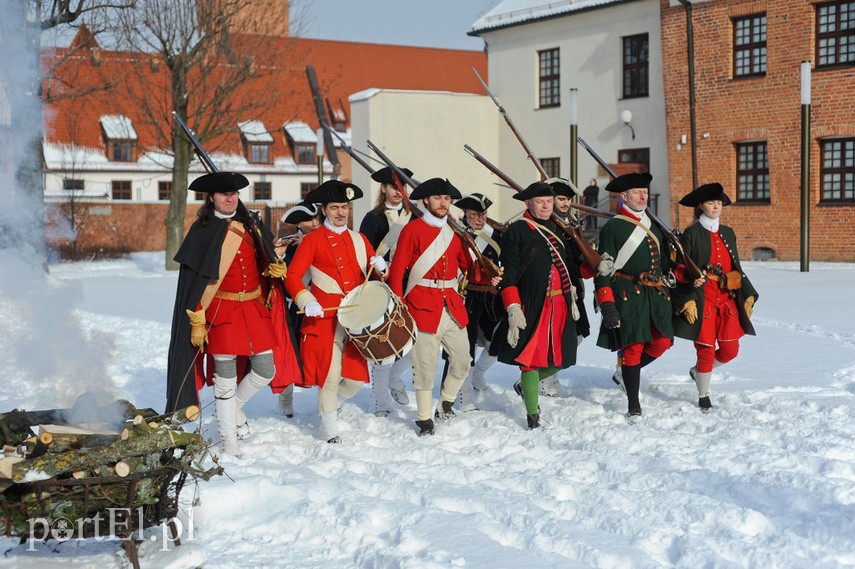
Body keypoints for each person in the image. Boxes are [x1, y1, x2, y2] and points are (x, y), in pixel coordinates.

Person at [166, 171, 299, 457]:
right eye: (225, 194)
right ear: (211, 197)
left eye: (234, 194)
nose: (230, 199)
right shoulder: (202, 230)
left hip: (252, 308)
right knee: (224, 381)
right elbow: (196, 283)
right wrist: (197, 319)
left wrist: (273, 268)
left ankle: (232, 409)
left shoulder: (251, 225)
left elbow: (263, 260)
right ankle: (230, 442)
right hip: (221, 312)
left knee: (266, 370)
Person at [283, 180, 387, 443]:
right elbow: (292, 277)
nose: (341, 212)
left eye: (345, 207)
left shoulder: (360, 239)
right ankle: (330, 430)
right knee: (329, 377)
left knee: (352, 381)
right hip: (324, 317)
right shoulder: (312, 241)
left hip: (356, 318)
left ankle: (328, 404)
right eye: (334, 208)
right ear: (324, 211)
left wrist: (381, 267)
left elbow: (375, 277)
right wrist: (307, 301)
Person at [388, 178, 483, 436]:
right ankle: (423, 418)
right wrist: (399, 304)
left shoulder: (456, 233)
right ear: (427, 201)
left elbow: (470, 271)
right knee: (425, 366)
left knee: (463, 360)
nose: (444, 203)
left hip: (451, 304)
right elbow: (397, 272)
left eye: (447, 199)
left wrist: (485, 272)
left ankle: (446, 403)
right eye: (439, 198)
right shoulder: (413, 229)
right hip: (421, 304)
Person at [490, 182, 583, 429]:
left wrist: (596, 266)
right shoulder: (517, 230)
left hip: (561, 302)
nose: (545, 206)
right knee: (530, 360)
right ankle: (532, 415)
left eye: (549, 201)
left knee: (562, 357)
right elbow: (508, 273)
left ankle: (526, 384)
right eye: (540, 201)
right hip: (532, 304)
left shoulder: (560, 229)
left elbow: (574, 266)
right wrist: (513, 306)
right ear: (527, 204)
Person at [593, 172, 679, 421]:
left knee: (662, 341)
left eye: (645, 192)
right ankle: (633, 404)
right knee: (633, 347)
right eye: (637, 193)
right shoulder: (613, 227)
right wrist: (607, 303)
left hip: (655, 293)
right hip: (627, 292)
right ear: (624, 196)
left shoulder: (655, 226)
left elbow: (664, 264)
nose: (643, 197)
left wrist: (675, 256)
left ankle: (626, 373)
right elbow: (604, 269)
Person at [671, 183, 758, 410]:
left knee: (730, 351)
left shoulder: (728, 232)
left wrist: (748, 293)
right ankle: (704, 396)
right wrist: (688, 296)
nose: (716, 207)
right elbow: (680, 268)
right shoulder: (691, 233)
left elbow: (737, 266)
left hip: (727, 298)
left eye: (719, 203)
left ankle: (698, 372)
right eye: (711, 203)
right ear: (701, 206)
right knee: (706, 349)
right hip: (703, 298)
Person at [358, 166, 414, 416]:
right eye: (393, 187)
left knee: (415, 343)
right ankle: (381, 402)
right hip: (384, 286)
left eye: (402, 187)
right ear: (384, 189)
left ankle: (394, 380)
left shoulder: (415, 216)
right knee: (383, 349)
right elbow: (365, 254)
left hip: (412, 284)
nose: (398, 192)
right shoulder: (373, 218)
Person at [445, 192, 502, 411]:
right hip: (464, 296)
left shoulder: (493, 235)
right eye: (475, 214)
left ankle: (478, 375)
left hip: (488, 298)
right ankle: (464, 398)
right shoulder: (455, 234)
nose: (480, 219)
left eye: (483, 214)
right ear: (464, 214)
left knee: (496, 342)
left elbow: (501, 262)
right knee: (463, 349)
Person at [539, 178, 591, 398]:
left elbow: (576, 258)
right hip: (551, 289)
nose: (565, 203)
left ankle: (547, 377)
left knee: (578, 334)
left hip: (572, 289)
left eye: (568, 199)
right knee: (556, 337)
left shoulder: (570, 225)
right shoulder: (546, 226)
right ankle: (541, 380)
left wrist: (592, 267)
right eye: (561, 198)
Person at [276, 201, 322, 418]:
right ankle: (286, 396)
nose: (314, 223)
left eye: (316, 219)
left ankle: (327, 398)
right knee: (290, 353)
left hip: (320, 304)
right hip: (293, 308)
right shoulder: (288, 245)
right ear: (298, 224)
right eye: (308, 220)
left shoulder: (323, 240)